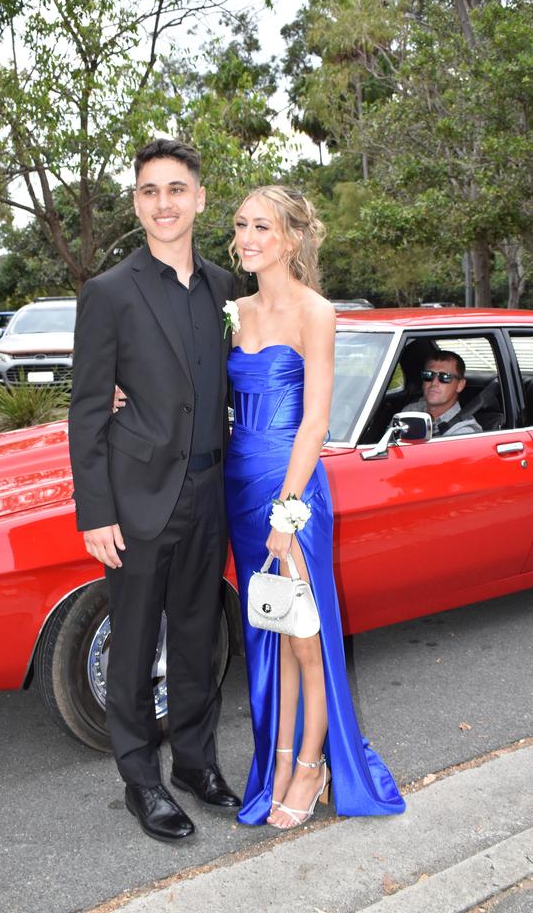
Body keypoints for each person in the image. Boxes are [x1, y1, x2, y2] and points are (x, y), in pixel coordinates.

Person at [68, 139, 241, 844]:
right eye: (149, 190)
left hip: (211, 490)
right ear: (136, 202)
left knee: (200, 639)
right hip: (137, 497)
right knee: (135, 646)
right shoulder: (108, 292)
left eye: (176, 189)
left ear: (200, 199)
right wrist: (95, 510)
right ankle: (142, 780)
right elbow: (86, 407)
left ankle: (195, 763)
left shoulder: (229, 288)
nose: (163, 203)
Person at [225, 186, 405, 828]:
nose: (248, 237)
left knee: (307, 634)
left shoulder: (315, 312)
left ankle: (310, 765)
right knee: (266, 630)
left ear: (292, 239)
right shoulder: (235, 308)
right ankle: (274, 758)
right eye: (242, 225)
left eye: (263, 227)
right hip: (238, 483)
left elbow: (316, 422)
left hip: (290, 487)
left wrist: (286, 512)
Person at [401, 352, 482, 436]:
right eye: (428, 375)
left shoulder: (464, 433)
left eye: (444, 377)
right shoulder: (410, 410)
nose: (434, 383)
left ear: (460, 385)